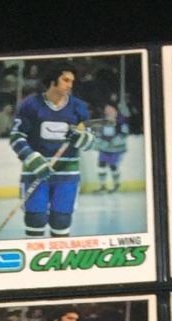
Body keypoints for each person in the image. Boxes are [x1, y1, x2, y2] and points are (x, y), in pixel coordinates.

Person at [8, 63, 95, 239]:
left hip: (67, 175)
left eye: (72, 81)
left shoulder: (79, 107)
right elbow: (16, 137)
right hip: (36, 172)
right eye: (65, 80)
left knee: (61, 221)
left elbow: (90, 142)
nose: (70, 85)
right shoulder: (31, 105)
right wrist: (31, 158)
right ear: (52, 80)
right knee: (35, 219)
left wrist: (81, 138)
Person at [94, 102, 128, 193]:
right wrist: (99, 141)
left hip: (116, 148)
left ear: (115, 109)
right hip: (104, 147)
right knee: (101, 164)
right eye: (106, 109)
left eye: (109, 109)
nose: (107, 111)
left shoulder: (121, 120)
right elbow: (98, 132)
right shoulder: (103, 120)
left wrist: (114, 142)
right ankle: (102, 186)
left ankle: (116, 185)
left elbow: (124, 133)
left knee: (113, 166)